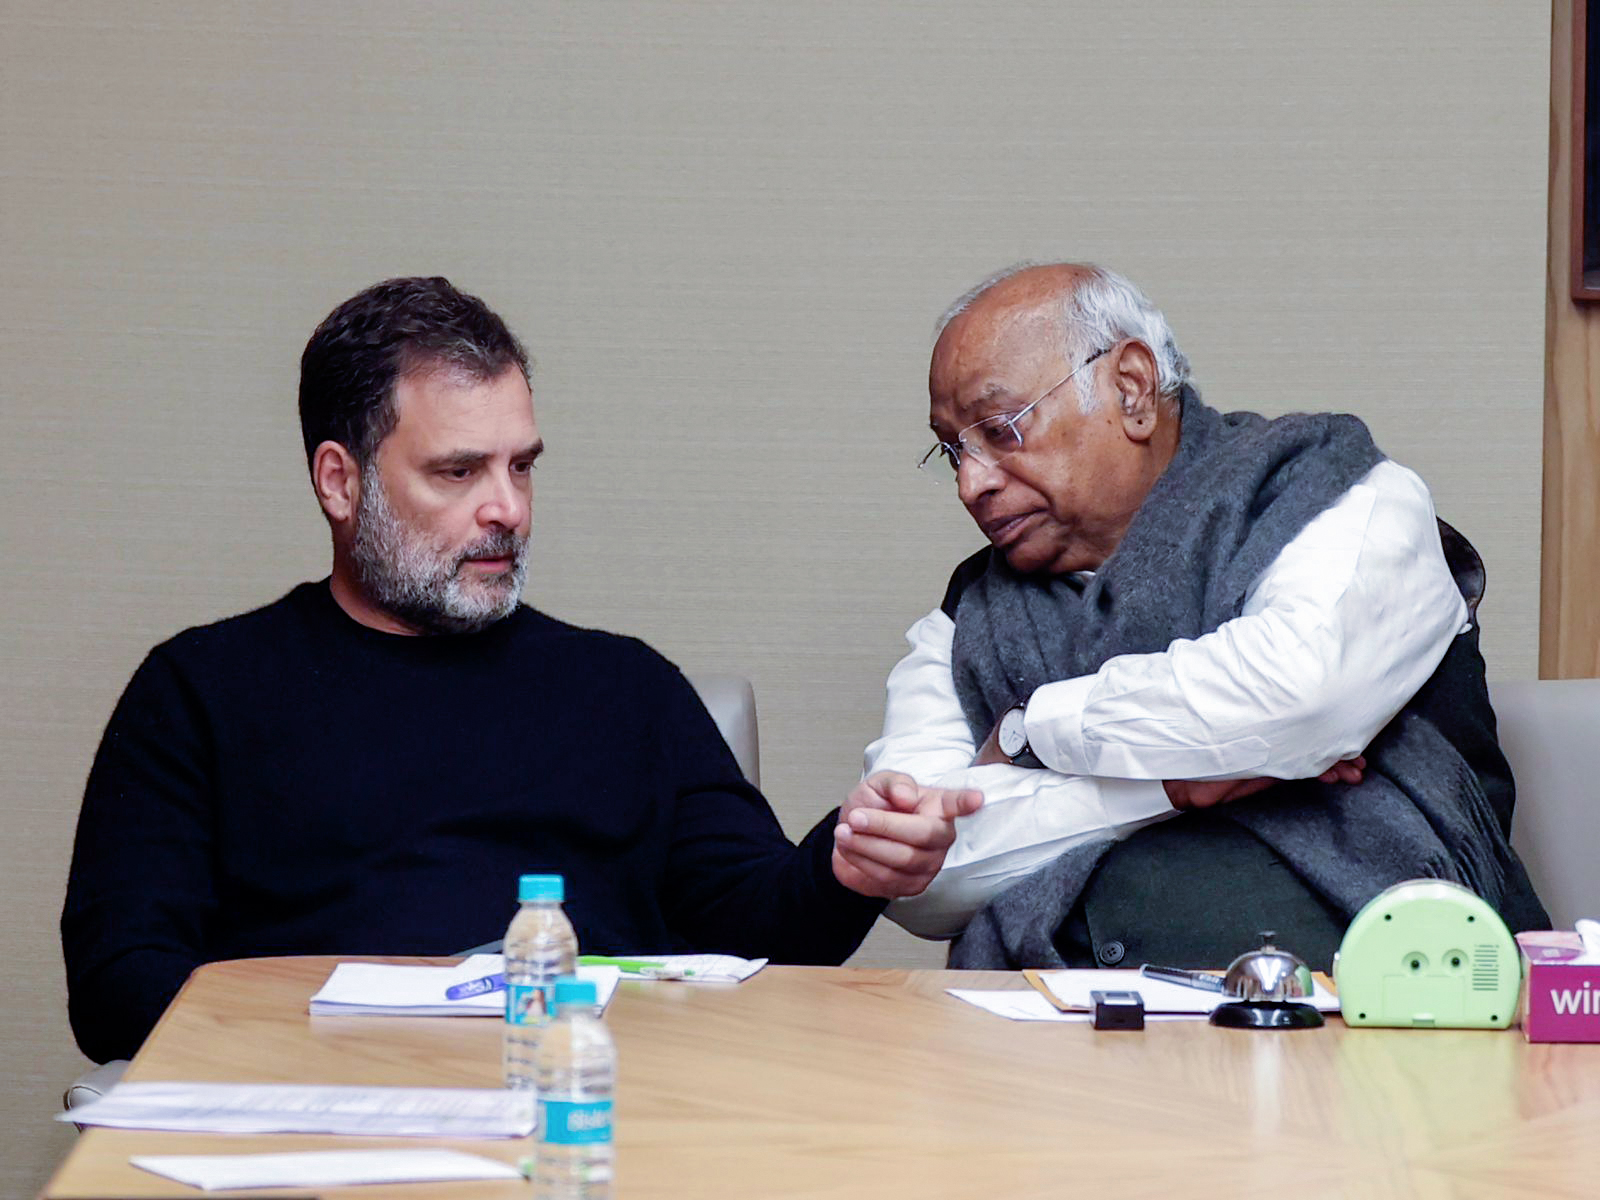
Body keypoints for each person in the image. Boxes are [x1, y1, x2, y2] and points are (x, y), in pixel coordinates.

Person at [62, 276, 978, 1064]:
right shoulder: (201, 692)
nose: (507, 509)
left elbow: (756, 933)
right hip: (320, 1118)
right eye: (459, 472)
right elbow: (118, 986)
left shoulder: (623, 689)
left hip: (593, 1118)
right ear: (340, 482)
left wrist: (850, 863)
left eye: (522, 467)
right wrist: (358, 1042)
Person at [869, 261, 1546, 970]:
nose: (970, 484)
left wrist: (1028, 732)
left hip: (1372, 1016)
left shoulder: (1337, 494)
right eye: (953, 451)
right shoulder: (968, 616)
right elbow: (917, 876)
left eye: (1001, 430)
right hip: (1038, 1041)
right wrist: (1169, 787)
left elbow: (1295, 698)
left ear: (1130, 389)